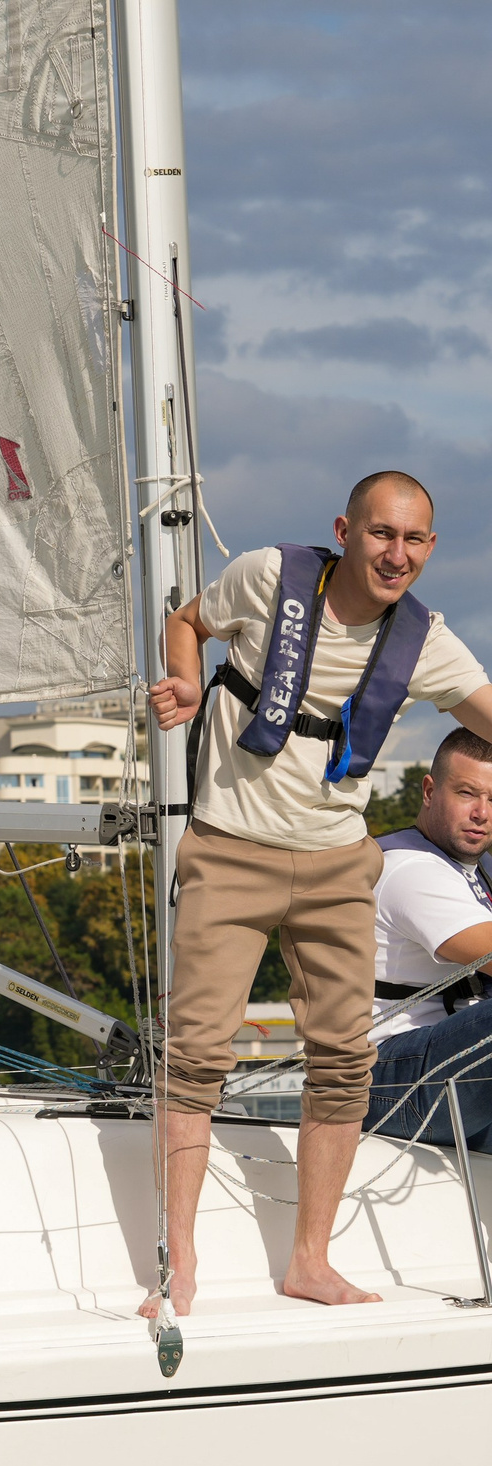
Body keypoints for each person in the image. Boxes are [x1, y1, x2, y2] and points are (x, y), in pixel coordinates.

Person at [148, 471, 492, 1317]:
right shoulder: (270, 576)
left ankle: (310, 1260)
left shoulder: (427, 640)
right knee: (196, 1054)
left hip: (339, 863)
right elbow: (186, 621)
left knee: (344, 1061)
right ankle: (178, 1265)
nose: (395, 554)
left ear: (430, 549)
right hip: (232, 848)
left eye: (414, 541)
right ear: (346, 530)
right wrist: (187, 681)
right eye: (381, 534)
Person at [369, 728, 492, 1148]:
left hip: (458, 1069)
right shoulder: (409, 869)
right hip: (392, 1078)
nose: (482, 812)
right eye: (467, 793)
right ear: (429, 790)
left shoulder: (477, 870)